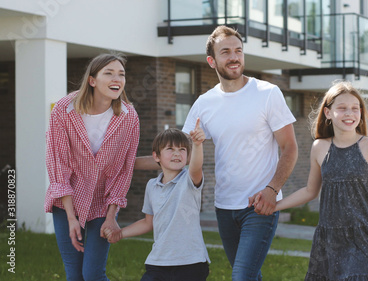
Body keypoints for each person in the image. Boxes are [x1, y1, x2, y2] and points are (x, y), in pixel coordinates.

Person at [253, 80, 368, 280]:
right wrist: (274, 206)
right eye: (342, 108)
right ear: (327, 113)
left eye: (354, 108)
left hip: (367, 238)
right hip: (330, 241)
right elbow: (310, 191)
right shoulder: (319, 147)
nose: (349, 114)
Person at [181, 25, 298, 280]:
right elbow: (180, 151)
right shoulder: (205, 103)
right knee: (248, 275)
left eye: (238, 50)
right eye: (225, 52)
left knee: (242, 276)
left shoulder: (267, 94)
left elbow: (289, 147)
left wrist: (272, 190)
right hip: (224, 206)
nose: (234, 57)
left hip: (259, 206)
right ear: (212, 61)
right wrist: (130, 163)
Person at [44, 53, 140, 281]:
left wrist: (111, 215)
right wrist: (70, 217)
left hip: (102, 203)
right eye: (109, 73)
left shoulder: (129, 117)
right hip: (67, 201)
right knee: (74, 274)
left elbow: (123, 170)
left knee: (93, 274)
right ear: (92, 80)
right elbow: (58, 163)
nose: (117, 78)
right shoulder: (63, 110)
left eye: (121, 74)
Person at [105, 122, 210, 281]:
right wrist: (120, 233)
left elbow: (196, 167)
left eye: (182, 150)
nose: (177, 153)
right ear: (156, 156)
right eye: (170, 149)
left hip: (191, 263)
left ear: (188, 156)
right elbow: (148, 223)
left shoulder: (189, 180)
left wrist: (197, 145)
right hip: (158, 262)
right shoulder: (151, 186)